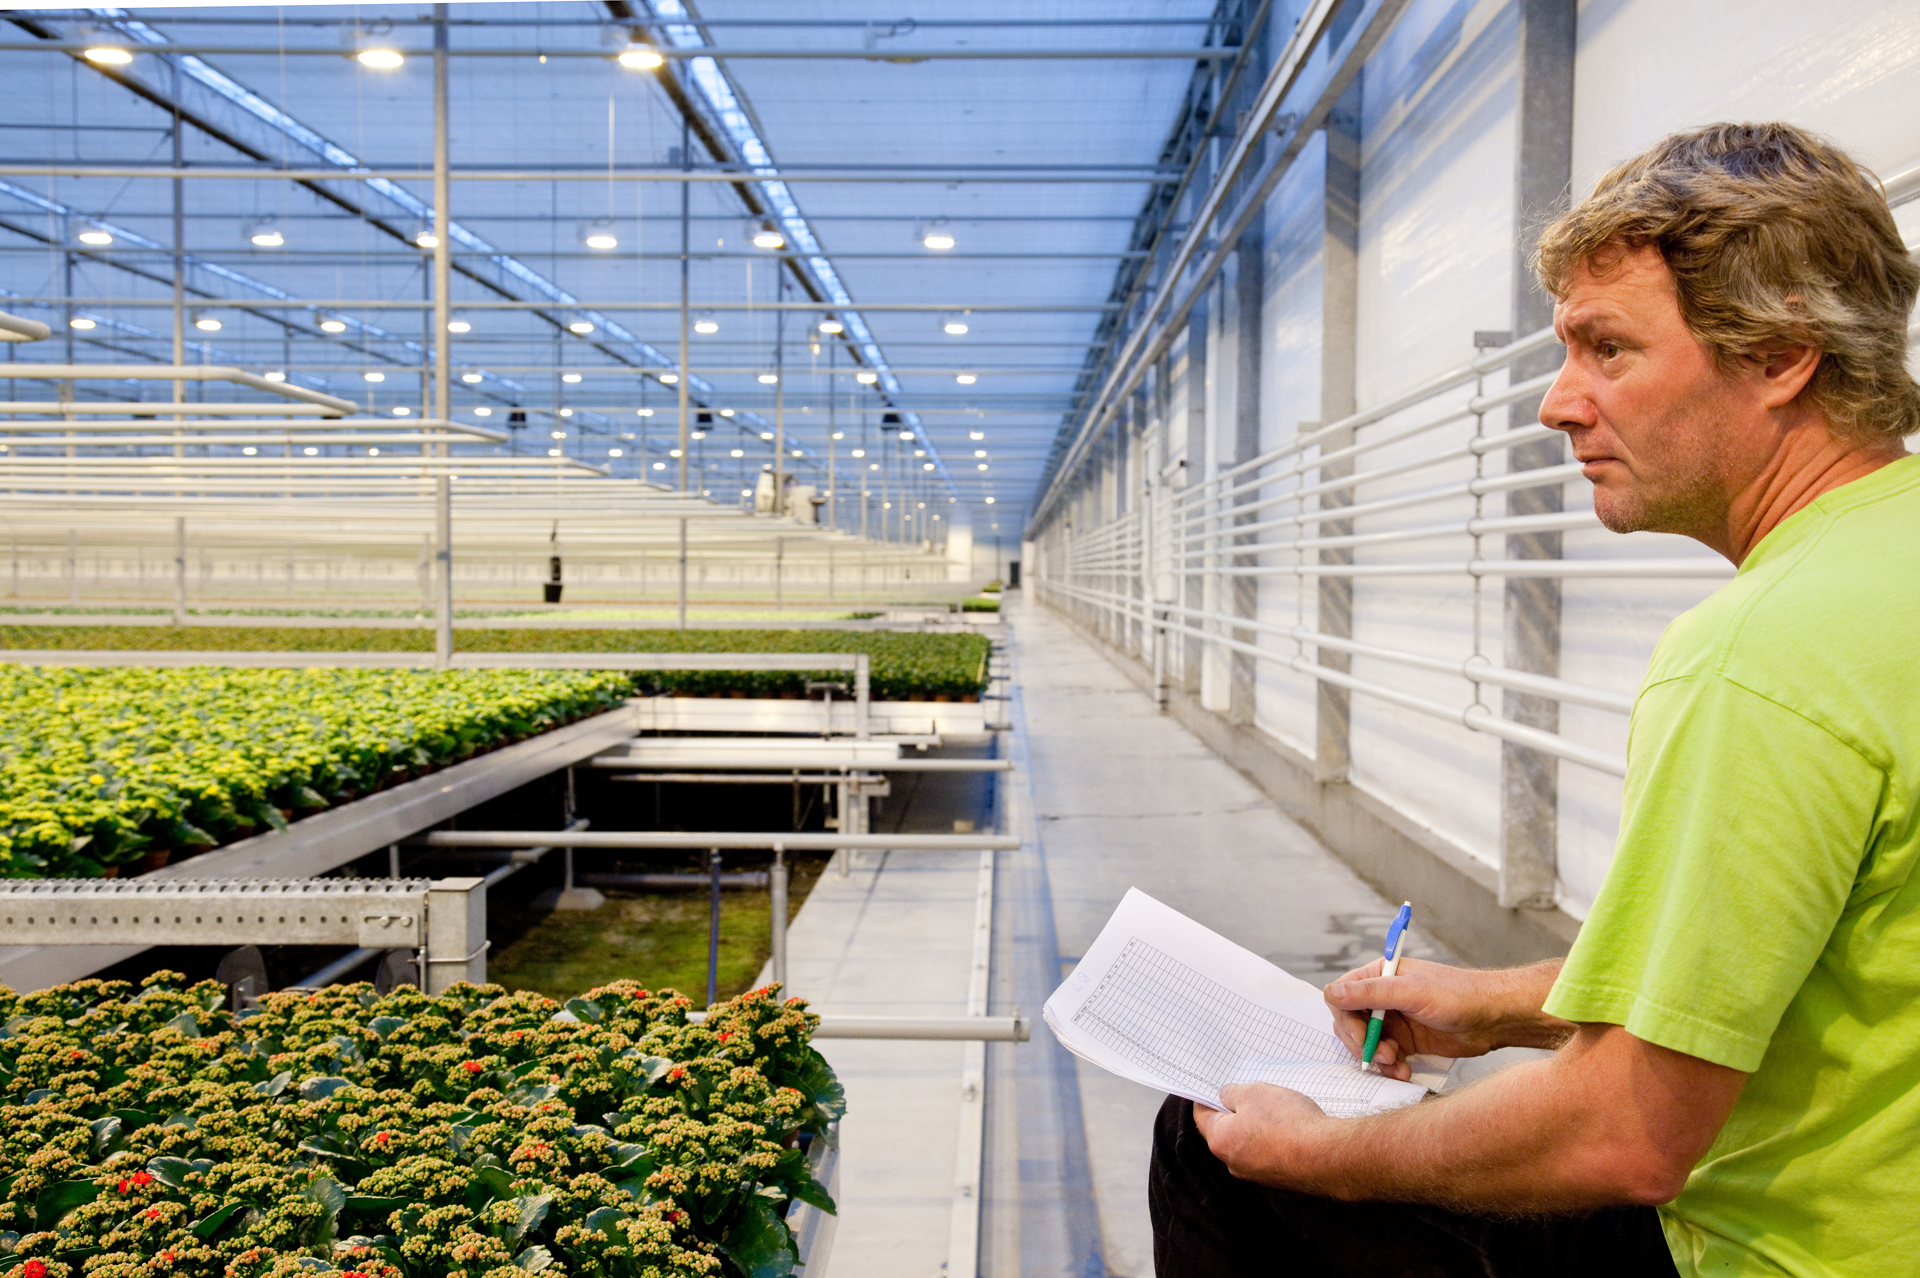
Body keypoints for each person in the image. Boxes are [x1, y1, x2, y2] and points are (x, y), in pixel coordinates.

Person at [1148, 121, 1920, 1278]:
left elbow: (1631, 1133)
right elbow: (1808, 965)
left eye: (1607, 350)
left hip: (1772, 1250)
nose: (1558, 404)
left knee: (1210, 1139)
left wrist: (1322, 1154)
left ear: (1780, 356)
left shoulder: (1760, 658)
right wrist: (1501, 1006)